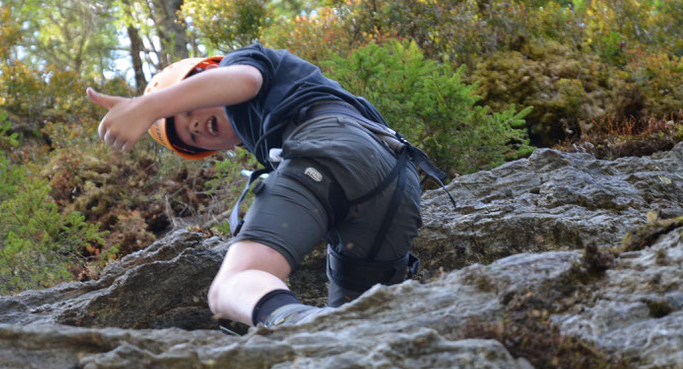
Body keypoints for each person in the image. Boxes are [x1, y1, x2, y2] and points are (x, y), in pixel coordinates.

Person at [87, 43, 448, 328]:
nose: (194, 126)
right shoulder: (272, 131)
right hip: (397, 180)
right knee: (355, 326)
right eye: (189, 136)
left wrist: (148, 106)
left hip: (330, 148)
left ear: (207, 76)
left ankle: (298, 324)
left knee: (231, 285)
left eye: (187, 111)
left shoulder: (243, 62)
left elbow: (245, 81)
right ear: (220, 149)